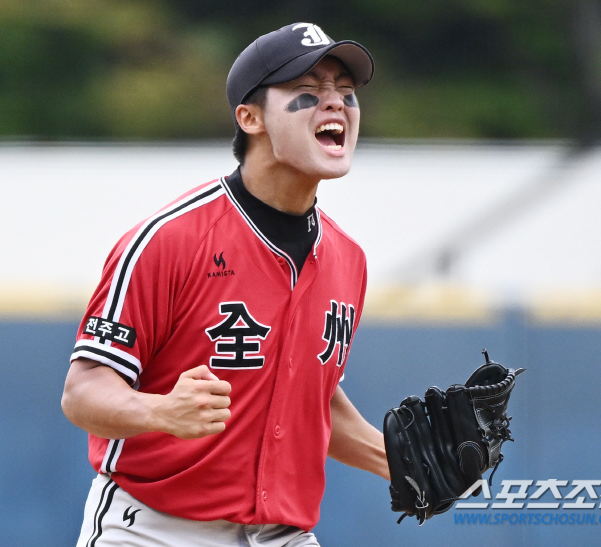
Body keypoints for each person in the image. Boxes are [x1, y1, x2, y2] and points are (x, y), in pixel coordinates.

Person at [62, 22, 388, 547]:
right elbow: (82, 392)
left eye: (346, 93)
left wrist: (395, 461)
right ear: (250, 117)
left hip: (282, 533)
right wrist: (159, 411)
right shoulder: (170, 239)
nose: (336, 105)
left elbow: (311, 395)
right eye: (309, 90)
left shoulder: (348, 259)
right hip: (154, 528)